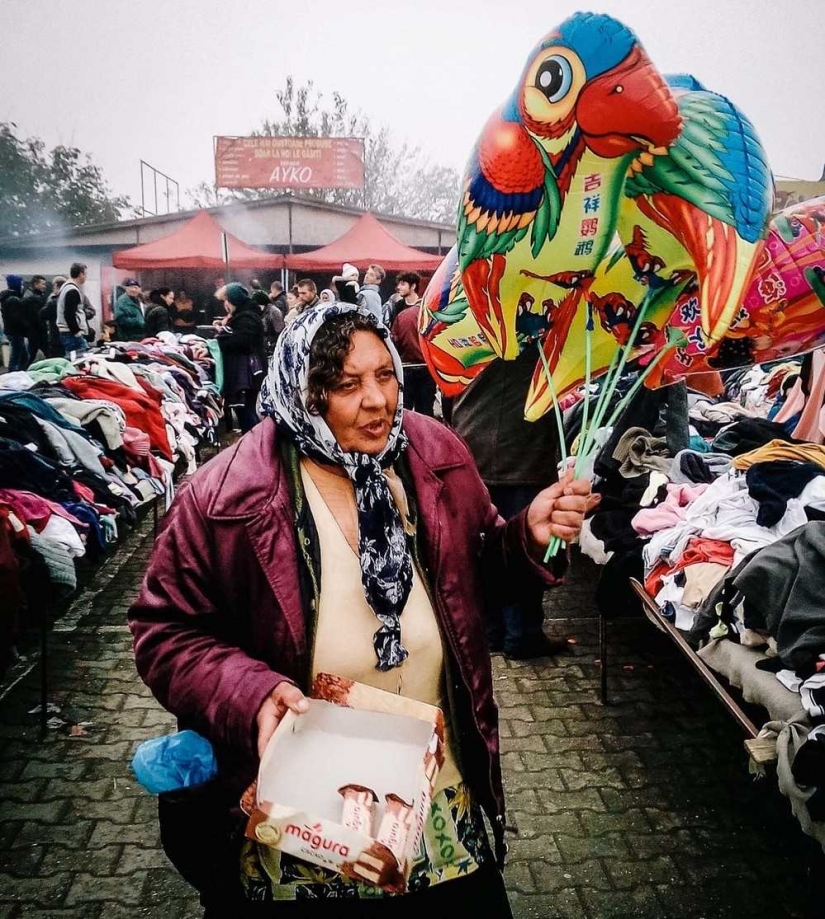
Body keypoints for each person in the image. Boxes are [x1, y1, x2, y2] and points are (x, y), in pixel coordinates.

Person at [129, 303, 590, 917]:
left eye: (386, 376)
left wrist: (522, 537)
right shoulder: (225, 494)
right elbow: (166, 631)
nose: (377, 401)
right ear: (304, 390)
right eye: (347, 385)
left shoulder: (433, 454)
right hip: (306, 800)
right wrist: (252, 692)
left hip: (433, 788)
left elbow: (474, 580)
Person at [452, 350, 583, 659]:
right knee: (524, 546)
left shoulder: (475, 327)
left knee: (489, 546)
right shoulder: (529, 327)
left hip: (475, 443)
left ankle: (494, 632)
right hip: (519, 454)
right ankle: (522, 636)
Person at [214, 283, 265, 433]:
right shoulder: (244, 316)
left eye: (226, 300)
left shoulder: (246, 317)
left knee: (246, 411)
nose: (225, 304)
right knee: (245, 411)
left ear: (234, 300)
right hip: (247, 373)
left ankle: (256, 446)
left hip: (248, 374)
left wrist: (220, 339)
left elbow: (242, 342)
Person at [391, 291, 435, 417]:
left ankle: (407, 435)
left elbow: (395, 341)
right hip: (427, 368)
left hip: (406, 368)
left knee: (405, 409)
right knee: (426, 410)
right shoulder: (432, 316)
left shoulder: (402, 316)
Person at [56, 263, 91, 356]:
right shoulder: (72, 290)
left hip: (67, 332)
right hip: (72, 334)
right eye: (85, 274)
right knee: (81, 361)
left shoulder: (65, 287)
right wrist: (77, 332)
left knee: (73, 360)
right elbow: (69, 314)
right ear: (80, 274)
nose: (86, 277)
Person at [0, 275, 31, 371]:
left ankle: (20, 374)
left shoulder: (7, 297)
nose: (22, 286)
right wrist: (27, 325)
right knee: (16, 357)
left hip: (12, 331)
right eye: (21, 284)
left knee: (23, 357)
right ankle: (13, 376)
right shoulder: (14, 299)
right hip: (16, 332)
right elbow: (16, 318)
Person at [40, 276, 67, 358]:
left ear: (55, 286)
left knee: (56, 359)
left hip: (56, 335)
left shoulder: (53, 301)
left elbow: (42, 314)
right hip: (69, 334)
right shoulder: (70, 297)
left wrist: (50, 299)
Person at [22, 275, 47, 360]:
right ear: (36, 284)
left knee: (32, 354)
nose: (44, 286)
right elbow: (36, 316)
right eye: (43, 284)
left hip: (34, 331)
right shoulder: (32, 298)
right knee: (34, 354)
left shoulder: (32, 296)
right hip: (36, 331)